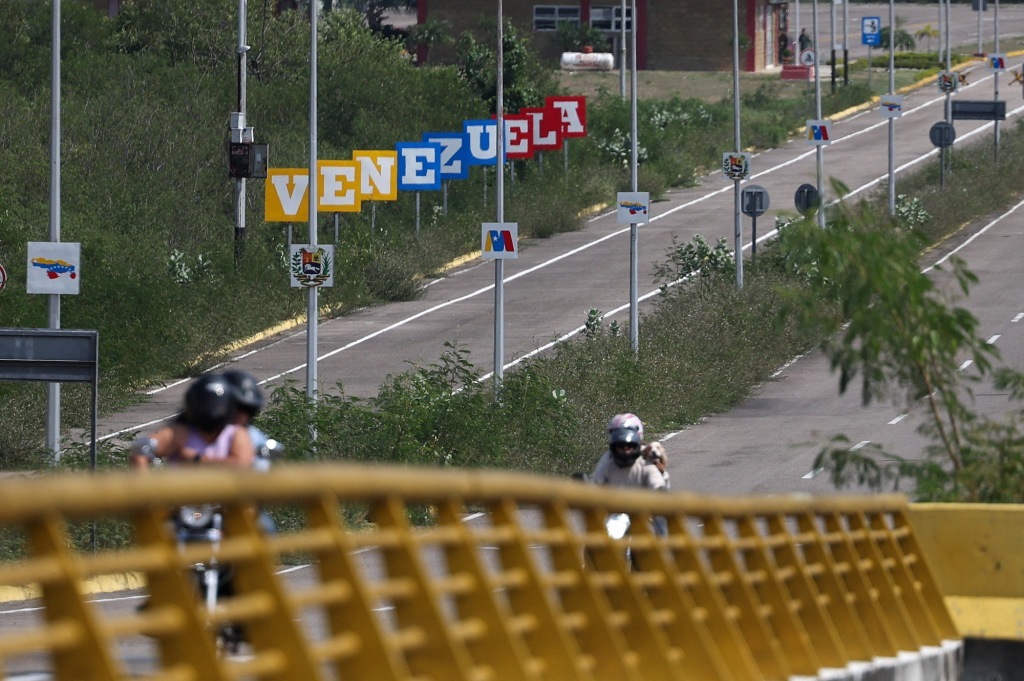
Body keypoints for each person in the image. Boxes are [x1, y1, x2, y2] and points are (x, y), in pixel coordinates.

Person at [129, 373, 254, 471]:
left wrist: (196, 460)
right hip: (181, 501)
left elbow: (242, 464)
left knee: (247, 504)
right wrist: (148, 494)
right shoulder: (180, 433)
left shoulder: (235, 433)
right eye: (206, 404)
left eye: (218, 406)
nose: (212, 413)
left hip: (226, 502)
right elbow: (141, 450)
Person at [591, 414, 667, 491]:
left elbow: (658, 485)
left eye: (629, 446)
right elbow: (595, 484)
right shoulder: (607, 460)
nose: (625, 449)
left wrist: (661, 475)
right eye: (620, 445)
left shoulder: (646, 459)